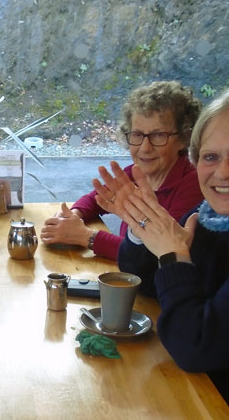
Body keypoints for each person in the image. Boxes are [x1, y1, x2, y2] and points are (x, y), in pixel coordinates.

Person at [92, 88, 229, 402]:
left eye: (158, 135)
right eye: (211, 157)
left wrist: (174, 257)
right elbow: (150, 285)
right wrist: (142, 229)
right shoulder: (208, 219)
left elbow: (195, 346)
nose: (222, 172)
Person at [40, 81, 204, 260]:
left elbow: (151, 257)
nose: (145, 148)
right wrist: (71, 216)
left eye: (158, 135)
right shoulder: (135, 174)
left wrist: (84, 236)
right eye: (137, 134)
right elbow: (96, 199)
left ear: (184, 138)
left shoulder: (194, 186)